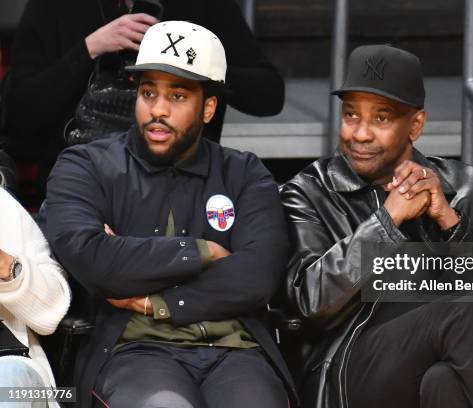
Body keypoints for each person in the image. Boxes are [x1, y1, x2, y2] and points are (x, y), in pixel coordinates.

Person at [43, 21, 295, 407]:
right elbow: (91, 258)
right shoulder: (86, 165)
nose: (157, 110)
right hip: (135, 351)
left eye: (177, 96)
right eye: (148, 93)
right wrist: (203, 251)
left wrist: (153, 299)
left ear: (208, 107)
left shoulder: (244, 172)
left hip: (236, 350)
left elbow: (257, 277)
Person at [281, 44, 473, 408]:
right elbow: (310, 303)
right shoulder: (308, 191)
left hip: (459, 360)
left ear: (416, 125)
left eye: (381, 118)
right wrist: (386, 222)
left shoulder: (464, 186)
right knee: (460, 308)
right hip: (354, 366)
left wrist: (453, 223)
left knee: (445, 384)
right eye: (350, 115)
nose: (359, 133)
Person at [2, 0, 284, 205]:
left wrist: (196, 63)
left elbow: (269, 95)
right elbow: (18, 117)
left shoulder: (203, 6)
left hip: (181, 190)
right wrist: (89, 49)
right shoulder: (55, 7)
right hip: (80, 187)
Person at [0, 179, 71, 407]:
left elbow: (53, 309)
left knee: (9, 378)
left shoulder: (3, 207)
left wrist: (7, 268)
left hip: (9, 368)